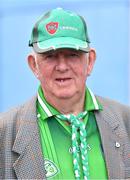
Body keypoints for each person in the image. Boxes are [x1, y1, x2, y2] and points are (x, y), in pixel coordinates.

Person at [0, 8, 130, 180]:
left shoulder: (125, 120)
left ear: (90, 61)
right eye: (50, 56)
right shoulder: (5, 132)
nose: (62, 67)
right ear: (34, 65)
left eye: (72, 55)